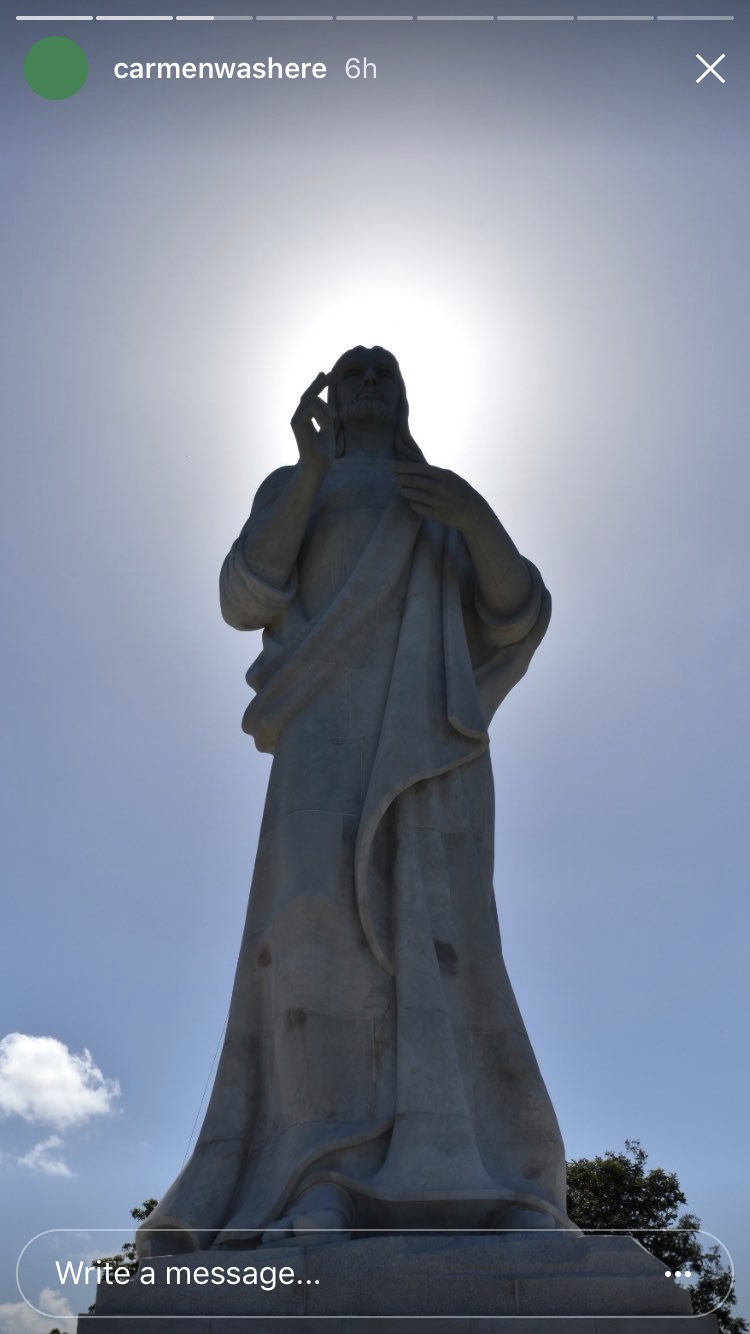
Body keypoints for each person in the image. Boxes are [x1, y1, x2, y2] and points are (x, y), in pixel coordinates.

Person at [138, 345, 571, 1258]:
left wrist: (474, 516)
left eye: (385, 372)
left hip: (431, 746)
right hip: (321, 744)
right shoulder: (295, 486)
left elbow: (515, 613)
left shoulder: (437, 498)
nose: (369, 381)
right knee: (313, 947)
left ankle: (482, 1176)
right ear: (331, 400)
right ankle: (317, 1178)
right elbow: (246, 593)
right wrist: (307, 473)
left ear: (404, 399)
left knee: (447, 946)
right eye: (353, 372)